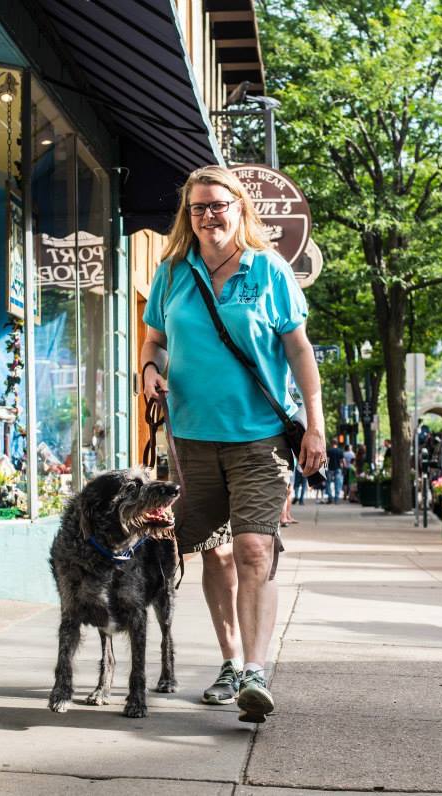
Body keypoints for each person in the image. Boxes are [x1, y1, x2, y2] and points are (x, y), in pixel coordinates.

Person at [140, 165, 325, 724]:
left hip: (259, 439)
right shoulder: (173, 272)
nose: (209, 215)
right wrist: (150, 368)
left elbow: (299, 352)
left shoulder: (267, 270)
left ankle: (255, 671)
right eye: (198, 208)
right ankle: (229, 661)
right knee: (213, 553)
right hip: (192, 439)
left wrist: (314, 423)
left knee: (253, 548)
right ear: (187, 216)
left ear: (240, 209)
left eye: (219, 205)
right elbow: (155, 339)